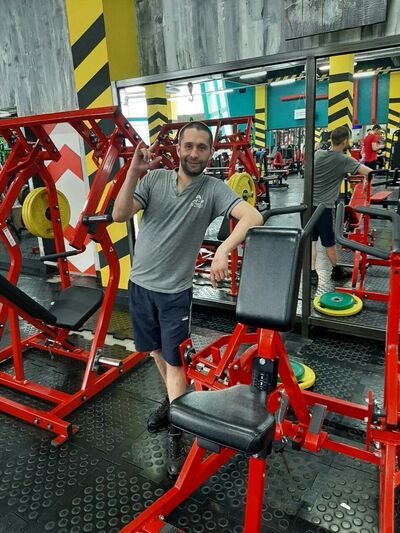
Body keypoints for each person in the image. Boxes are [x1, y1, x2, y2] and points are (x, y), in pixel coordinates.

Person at [112, 121, 263, 478]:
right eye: (189, 146)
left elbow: (253, 216)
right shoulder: (154, 179)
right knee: (155, 352)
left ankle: (177, 434)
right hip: (140, 285)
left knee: (175, 362)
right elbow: (119, 214)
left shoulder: (213, 189)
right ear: (178, 148)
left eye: (202, 147)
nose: (194, 153)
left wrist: (224, 249)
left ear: (211, 153)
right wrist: (132, 172)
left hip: (174, 293)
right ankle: (174, 403)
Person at [311, 126, 372, 285]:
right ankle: (336, 271)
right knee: (329, 242)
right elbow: (369, 172)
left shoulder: (318, 154)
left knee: (311, 240)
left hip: (308, 205)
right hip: (323, 208)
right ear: (345, 141)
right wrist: (367, 179)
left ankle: (311, 273)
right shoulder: (343, 160)